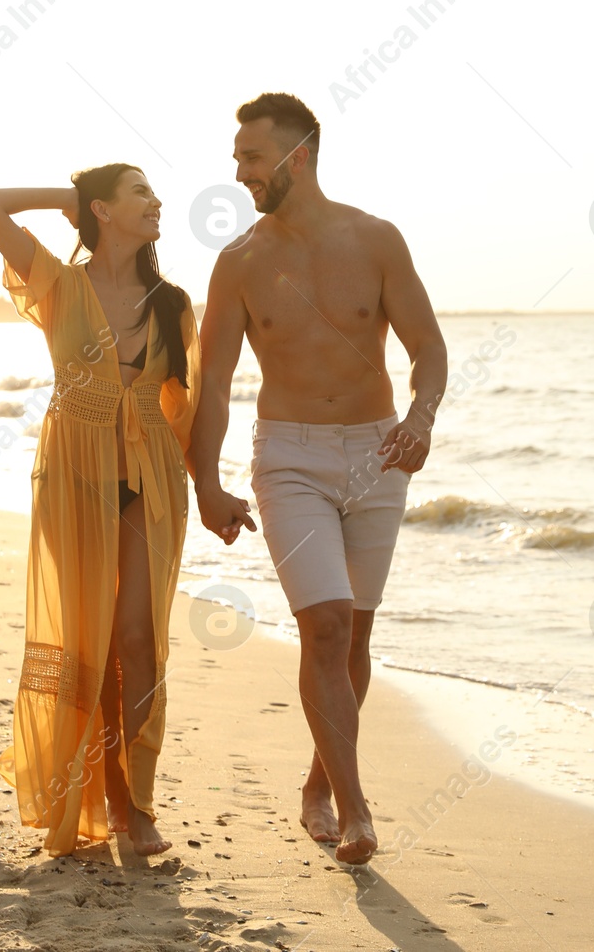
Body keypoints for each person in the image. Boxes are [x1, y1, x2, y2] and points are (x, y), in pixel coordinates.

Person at [191, 93, 448, 865]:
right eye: (238, 157)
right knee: (327, 624)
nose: (239, 172)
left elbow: (428, 350)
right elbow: (213, 386)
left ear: (297, 156)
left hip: (378, 454)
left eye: (251, 157)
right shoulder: (238, 262)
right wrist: (205, 480)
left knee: (355, 632)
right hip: (290, 458)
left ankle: (317, 782)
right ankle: (356, 808)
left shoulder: (376, 240)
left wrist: (422, 417)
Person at [0, 165, 201, 858]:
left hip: (150, 469)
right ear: (101, 209)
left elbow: (181, 409)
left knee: (138, 639)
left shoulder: (173, 301)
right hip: (76, 466)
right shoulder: (59, 284)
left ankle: (138, 799)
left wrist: (208, 487)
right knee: (91, 642)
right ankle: (107, 797)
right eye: (140, 192)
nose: (157, 202)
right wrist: (64, 200)